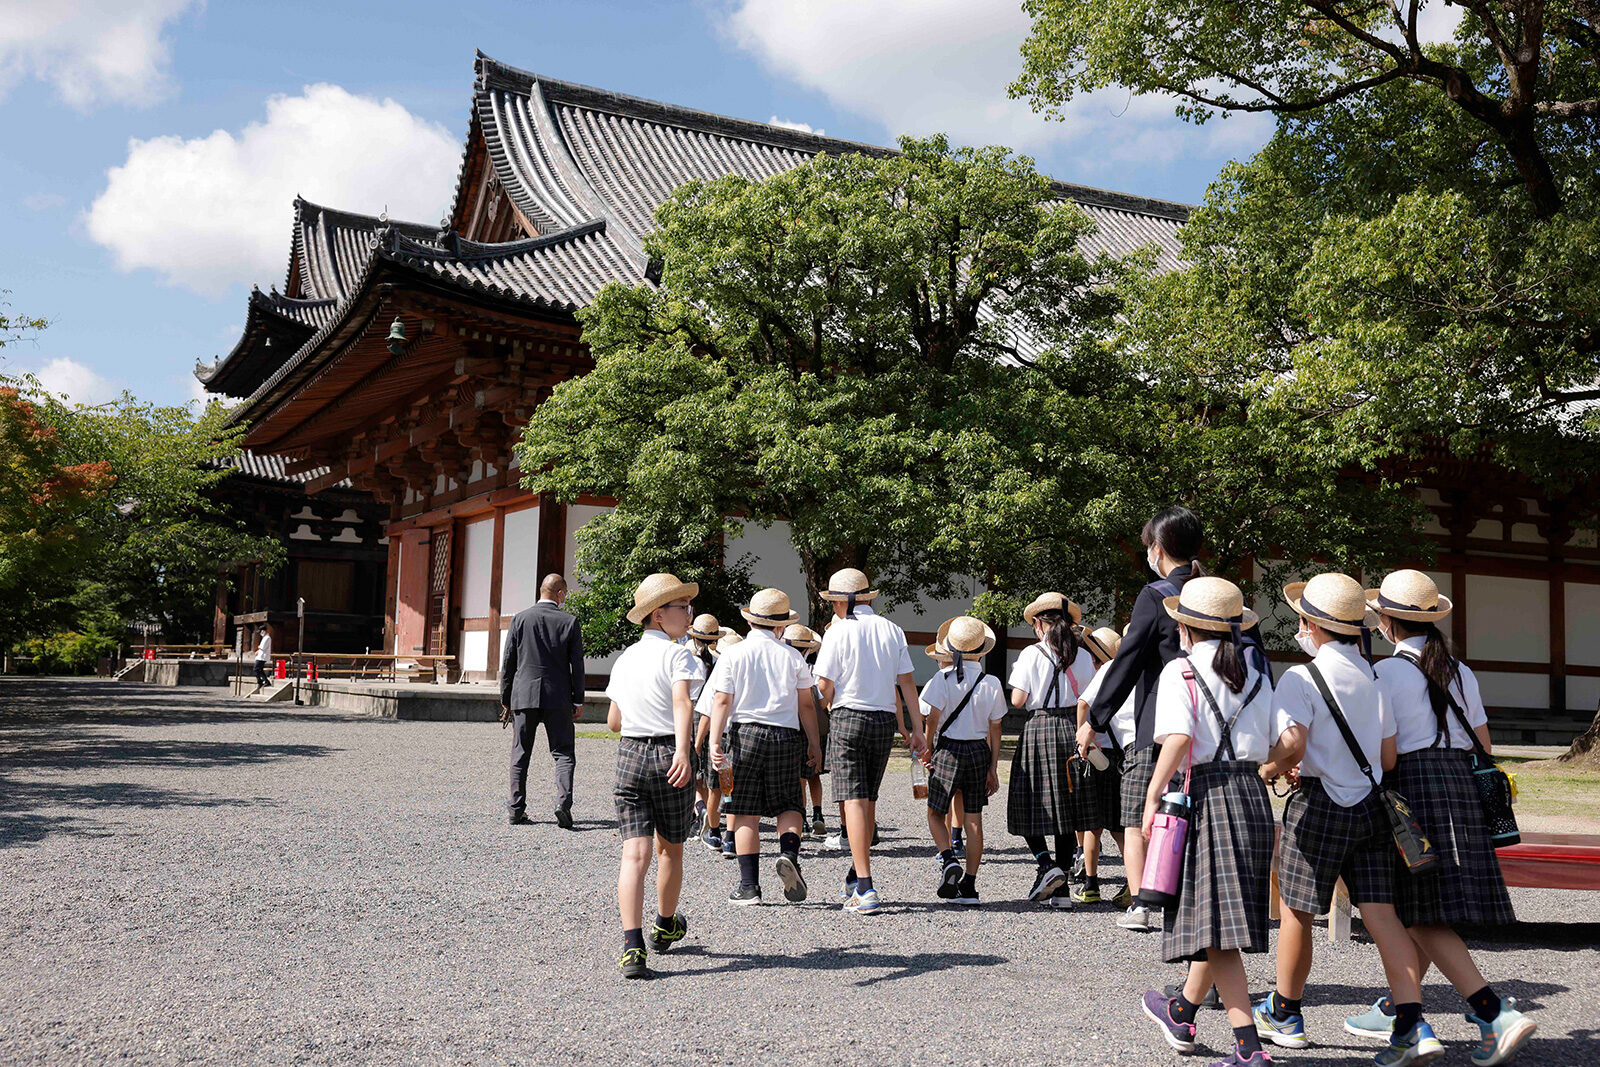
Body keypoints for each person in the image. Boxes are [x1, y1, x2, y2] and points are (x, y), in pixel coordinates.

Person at [1344, 570, 1538, 1064]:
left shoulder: (1383, 672)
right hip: (1460, 787)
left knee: (1416, 910)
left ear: (1385, 622)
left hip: (1411, 788)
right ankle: (1396, 1006)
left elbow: (1380, 747)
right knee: (1429, 907)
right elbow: (1485, 745)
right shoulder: (1460, 669)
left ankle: (1492, 1011)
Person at [1253, 572, 1436, 1064]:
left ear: (1310, 624)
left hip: (1317, 805)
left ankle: (1287, 1012)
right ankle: (1412, 1022)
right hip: (1371, 805)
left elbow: (1293, 742)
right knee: (1382, 915)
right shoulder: (1375, 675)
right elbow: (1390, 756)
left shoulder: (1300, 676)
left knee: (1297, 910)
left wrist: (1269, 768)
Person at [1082, 506, 1258, 931]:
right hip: (1220, 726)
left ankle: (1143, 902)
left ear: (1157, 549)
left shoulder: (1154, 594)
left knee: (1139, 813)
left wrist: (1097, 719)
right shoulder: (1221, 595)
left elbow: (1127, 659)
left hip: (1160, 722)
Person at [1136, 577, 1280, 1067]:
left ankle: (1248, 1048)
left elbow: (1176, 741)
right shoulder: (1258, 674)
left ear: (1185, 627)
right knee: (1214, 914)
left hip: (1206, 795)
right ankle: (1181, 1009)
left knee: (1216, 926)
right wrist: (1266, 770)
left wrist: (1153, 796)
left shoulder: (1182, 672)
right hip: (1252, 795)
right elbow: (1289, 741)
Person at [812, 567, 927, 914]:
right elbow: (907, 683)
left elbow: (823, 685)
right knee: (869, 798)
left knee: (853, 801)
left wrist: (825, 701)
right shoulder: (891, 629)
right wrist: (917, 728)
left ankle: (865, 886)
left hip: (848, 716)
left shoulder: (837, 631)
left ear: (842, 602)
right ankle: (855, 872)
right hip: (882, 721)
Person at [603, 573, 699, 979]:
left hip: (629, 754)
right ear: (660, 616)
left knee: (634, 854)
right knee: (670, 849)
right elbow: (682, 700)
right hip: (666, 753)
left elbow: (613, 721)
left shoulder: (625, 659)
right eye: (682, 607)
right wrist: (682, 749)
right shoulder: (678, 656)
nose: (689, 612)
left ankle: (631, 947)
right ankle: (664, 924)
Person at [708, 589, 822, 905]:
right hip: (785, 735)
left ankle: (749, 887)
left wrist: (714, 741)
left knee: (744, 810)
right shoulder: (793, 657)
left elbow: (721, 700)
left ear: (750, 621)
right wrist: (814, 743)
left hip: (744, 734)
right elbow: (806, 706)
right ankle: (788, 854)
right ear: (781, 626)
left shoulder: (733, 654)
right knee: (790, 804)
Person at [1007, 592, 1096, 909]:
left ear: (1039, 624)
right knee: (1067, 807)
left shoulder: (1032, 654)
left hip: (1040, 727)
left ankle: (1046, 864)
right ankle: (1061, 893)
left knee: (1026, 798)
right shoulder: (1084, 657)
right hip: (1072, 728)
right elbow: (1090, 698)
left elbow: (1018, 700)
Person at [919, 616, 1006, 905]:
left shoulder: (941, 679)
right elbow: (996, 729)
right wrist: (993, 767)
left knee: (935, 813)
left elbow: (931, 718)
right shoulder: (991, 682)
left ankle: (948, 859)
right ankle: (969, 885)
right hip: (979, 752)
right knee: (974, 821)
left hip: (948, 750)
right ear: (981, 650)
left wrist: (928, 746)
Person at [500, 574, 586, 828]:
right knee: (563, 753)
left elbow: (508, 662)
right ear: (560, 593)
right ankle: (563, 804)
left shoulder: (520, 619)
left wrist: (506, 698)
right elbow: (577, 665)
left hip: (524, 695)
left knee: (520, 753)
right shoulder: (569, 622)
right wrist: (578, 699)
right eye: (565, 594)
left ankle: (516, 809)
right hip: (557, 696)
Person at [1073, 625, 1132, 906]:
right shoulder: (1133, 672)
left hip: (1098, 754)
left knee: (1092, 825)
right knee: (1121, 826)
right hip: (1122, 754)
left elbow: (1083, 703)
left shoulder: (1108, 670)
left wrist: (1083, 735)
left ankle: (1090, 884)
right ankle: (1132, 882)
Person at [698, 631, 744, 859]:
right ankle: (731, 838)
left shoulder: (718, 676)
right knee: (731, 790)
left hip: (720, 737)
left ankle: (715, 832)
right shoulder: (749, 672)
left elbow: (707, 713)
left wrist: (698, 744)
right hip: (739, 736)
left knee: (715, 788)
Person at [920, 640, 966, 858]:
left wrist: (925, 746)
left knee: (943, 794)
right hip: (970, 741)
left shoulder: (938, 680)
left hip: (944, 740)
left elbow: (926, 713)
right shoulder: (975, 678)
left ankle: (947, 842)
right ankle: (957, 837)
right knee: (961, 795)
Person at [784, 623, 830, 839]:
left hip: (792, 727)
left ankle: (800, 819)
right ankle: (818, 813)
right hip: (812, 728)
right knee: (813, 775)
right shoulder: (812, 670)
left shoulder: (783, 666)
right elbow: (821, 703)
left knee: (798, 777)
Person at [686, 613, 722, 842]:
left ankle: (699, 811)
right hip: (713, 713)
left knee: (692, 766)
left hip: (692, 711)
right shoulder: (719, 659)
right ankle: (708, 815)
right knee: (709, 770)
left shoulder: (688, 659)